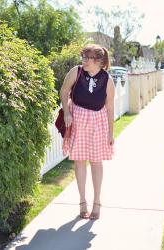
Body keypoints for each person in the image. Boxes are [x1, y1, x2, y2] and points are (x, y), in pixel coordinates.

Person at [60, 44, 115, 220]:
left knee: (96, 162)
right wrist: (67, 112)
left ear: (98, 61)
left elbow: (110, 107)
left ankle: (97, 202)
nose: (83, 61)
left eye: (87, 58)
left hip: (98, 121)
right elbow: (64, 91)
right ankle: (82, 202)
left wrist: (110, 133)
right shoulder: (76, 72)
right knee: (79, 162)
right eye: (82, 57)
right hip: (78, 119)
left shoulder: (107, 79)